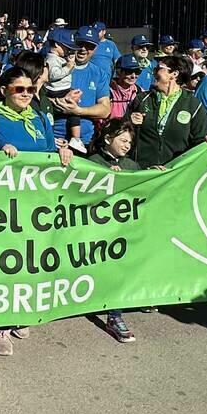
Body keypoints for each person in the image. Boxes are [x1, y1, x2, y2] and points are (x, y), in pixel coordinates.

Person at [0, 66, 73, 357]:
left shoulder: (41, 118)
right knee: (0, 261)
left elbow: (46, 153)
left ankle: (20, 309)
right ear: (4, 89)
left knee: (27, 258)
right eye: (19, 89)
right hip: (0, 203)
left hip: (33, 201)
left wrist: (62, 152)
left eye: (31, 90)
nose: (26, 95)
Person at [85, 118, 145, 343]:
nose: (127, 145)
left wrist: (156, 174)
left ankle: (114, 316)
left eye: (130, 141)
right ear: (108, 139)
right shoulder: (93, 161)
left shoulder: (131, 165)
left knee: (120, 270)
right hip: (96, 231)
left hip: (122, 231)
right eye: (123, 140)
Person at [127, 55, 207, 168]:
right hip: (142, 170)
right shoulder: (142, 99)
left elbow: (199, 142)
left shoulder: (193, 105)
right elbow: (123, 132)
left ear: (174, 74)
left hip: (174, 174)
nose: (154, 72)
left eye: (158, 68)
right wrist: (129, 122)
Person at [108, 54, 144, 121]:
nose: (133, 76)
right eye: (129, 72)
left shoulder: (140, 92)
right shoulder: (107, 91)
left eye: (137, 72)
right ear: (118, 72)